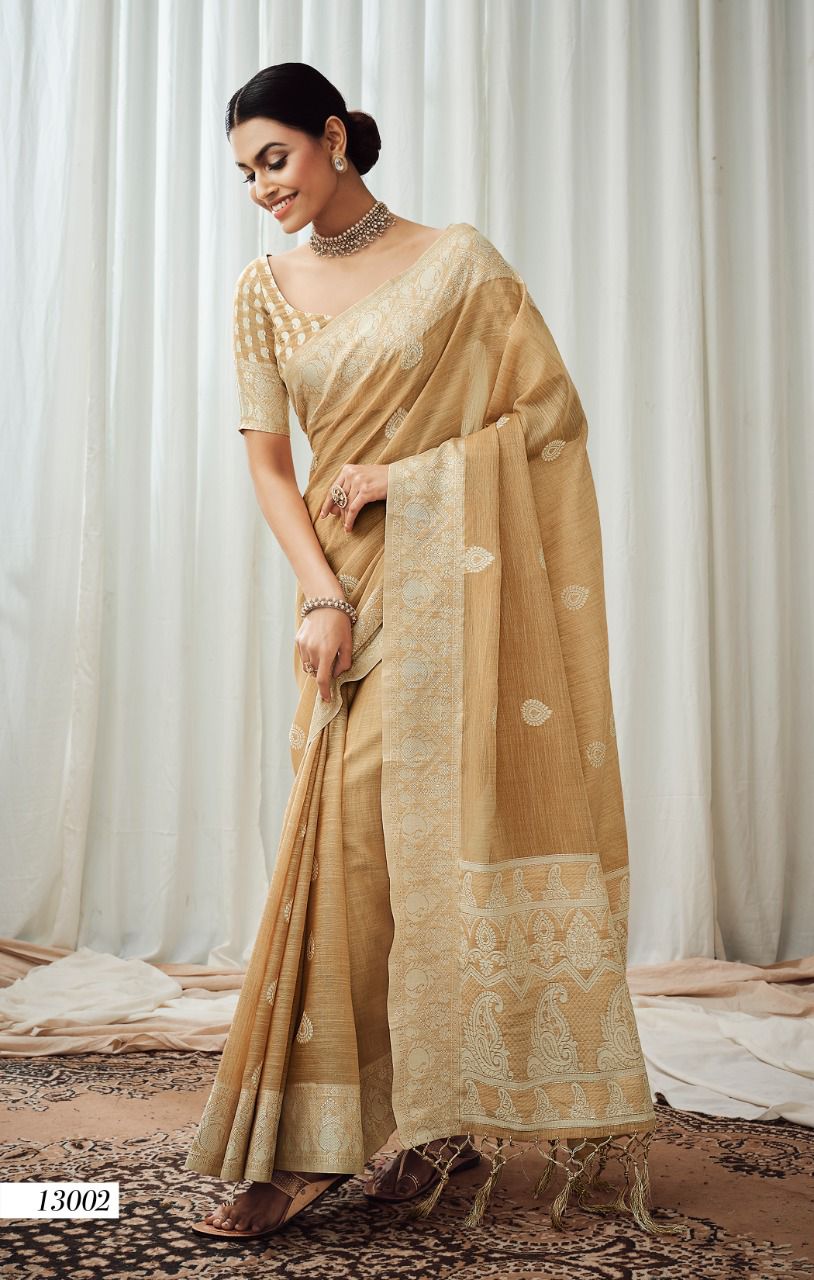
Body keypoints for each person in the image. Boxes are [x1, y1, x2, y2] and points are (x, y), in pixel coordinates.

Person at [184, 60, 682, 1243]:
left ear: (334, 137)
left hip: (461, 589)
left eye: (274, 158)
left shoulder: (459, 265)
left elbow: (547, 422)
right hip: (352, 592)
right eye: (244, 173)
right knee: (347, 851)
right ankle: (315, 1135)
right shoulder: (262, 290)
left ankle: (429, 1122)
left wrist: (409, 478)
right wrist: (320, 595)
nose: (261, 188)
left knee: (445, 847)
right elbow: (269, 465)